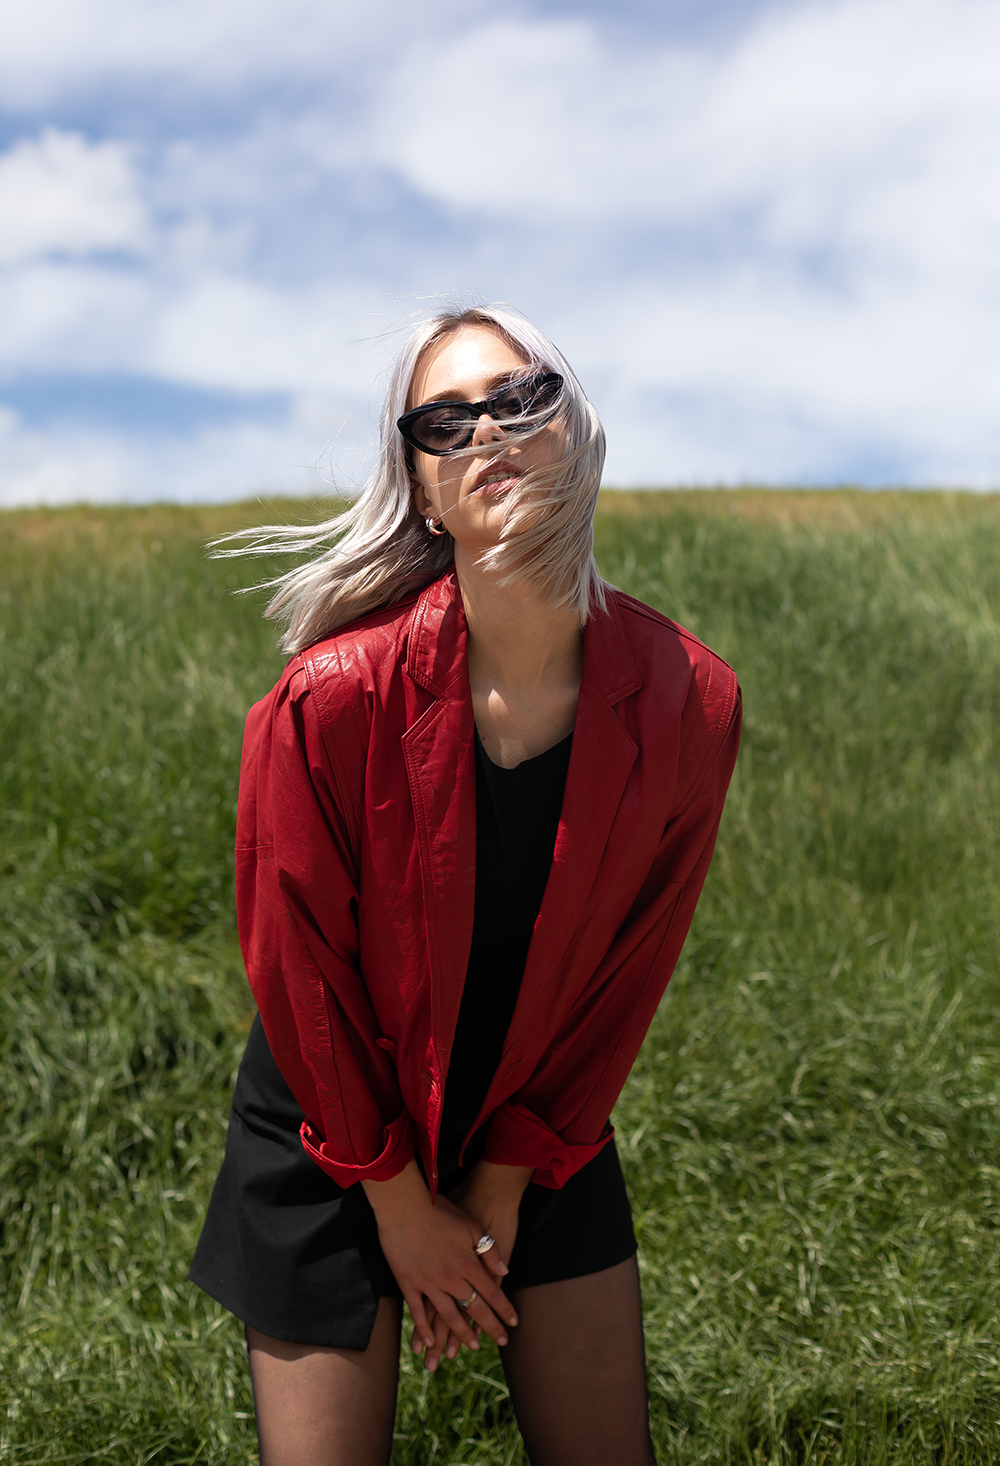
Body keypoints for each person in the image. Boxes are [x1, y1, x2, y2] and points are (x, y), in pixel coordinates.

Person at [189, 303, 741, 1466]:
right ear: (424, 494)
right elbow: (300, 976)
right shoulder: (328, 701)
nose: (485, 429)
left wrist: (502, 1180)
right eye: (443, 422)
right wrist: (399, 1205)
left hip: (537, 1119)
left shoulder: (690, 700)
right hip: (338, 1130)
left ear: (573, 430)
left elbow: (628, 974)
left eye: (518, 397)